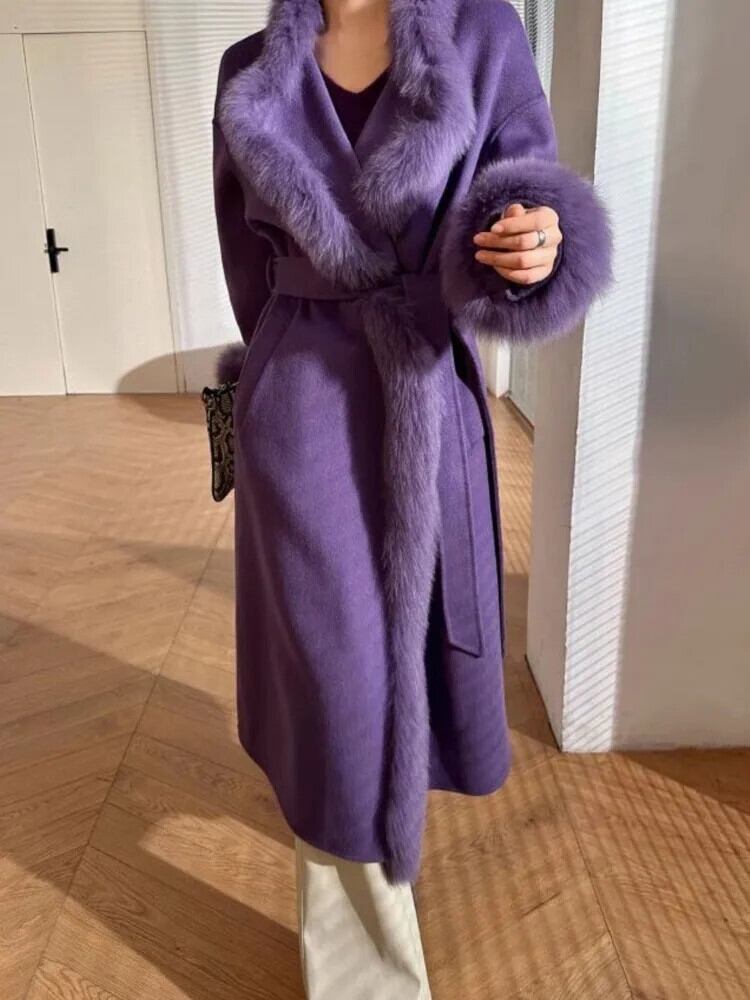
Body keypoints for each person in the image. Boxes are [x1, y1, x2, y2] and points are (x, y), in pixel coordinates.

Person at [213, 0, 611, 995]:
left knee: (417, 659)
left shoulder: (481, 31)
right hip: (299, 412)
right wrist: (273, 377)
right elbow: (246, 265)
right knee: (334, 687)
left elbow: (528, 188)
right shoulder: (246, 68)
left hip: (428, 396)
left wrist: (537, 244)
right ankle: (365, 975)